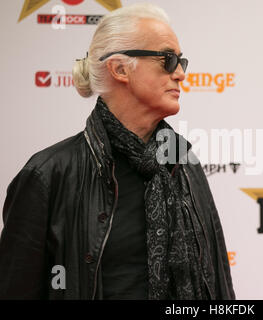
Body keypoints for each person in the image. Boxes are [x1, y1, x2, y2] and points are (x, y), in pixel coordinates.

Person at [0, 3, 235, 300]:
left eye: (181, 61)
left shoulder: (183, 162)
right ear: (120, 68)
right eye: (167, 59)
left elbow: (220, 286)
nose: (180, 74)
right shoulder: (49, 174)